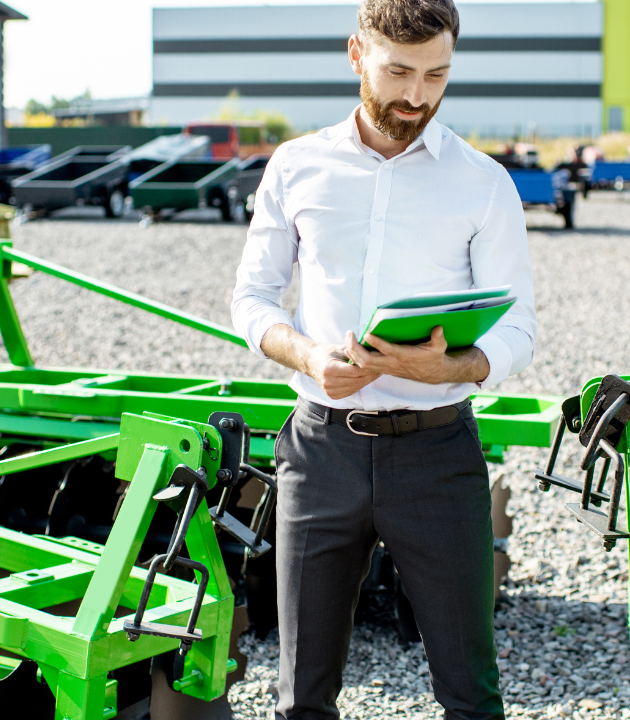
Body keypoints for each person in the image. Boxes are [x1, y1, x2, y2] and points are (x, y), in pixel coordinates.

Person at [230, 0, 536, 717]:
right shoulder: (296, 166)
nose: (417, 95)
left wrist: (455, 368)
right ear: (355, 54)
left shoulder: (483, 182)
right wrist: (306, 355)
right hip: (319, 451)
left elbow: (519, 327)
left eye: (438, 74)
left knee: (469, 693)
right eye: (399, 71)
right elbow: (252, 301)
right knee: (301, 696)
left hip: (438, 457)